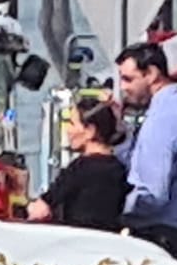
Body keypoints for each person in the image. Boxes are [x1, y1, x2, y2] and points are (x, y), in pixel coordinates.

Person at [113, 41, 177, 265]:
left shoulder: (162, 118)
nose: (124, 88)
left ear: (151, 74)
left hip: (160, 237)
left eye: (129, 79)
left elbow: (152, 194)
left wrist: (114, 209)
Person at [27, 98, 127, 230]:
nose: (67, 130)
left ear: (90, 131)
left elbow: (41, 210)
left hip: (76, 244)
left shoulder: (79, 169)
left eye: (72, 123)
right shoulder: (120, 169)